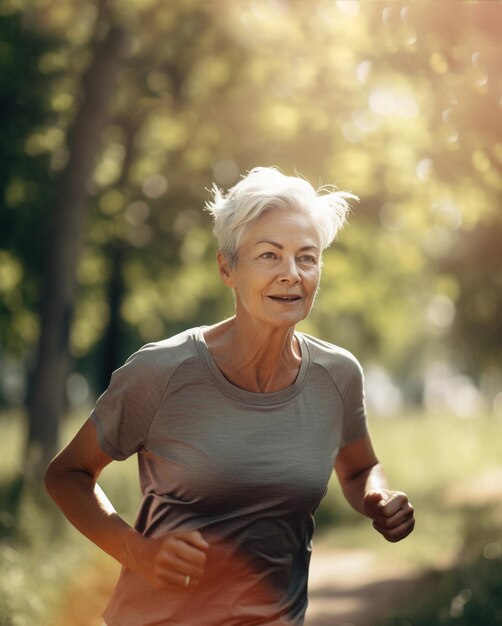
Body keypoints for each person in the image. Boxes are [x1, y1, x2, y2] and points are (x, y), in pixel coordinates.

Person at [45, 166, 415, 626]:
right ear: (227, 267)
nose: (291, 274)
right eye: (269, 255)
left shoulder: (337, 375)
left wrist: (378, 499)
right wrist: (137, 551)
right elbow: (67, 475)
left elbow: (360, 468)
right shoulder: (161, 371)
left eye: (307, 257)